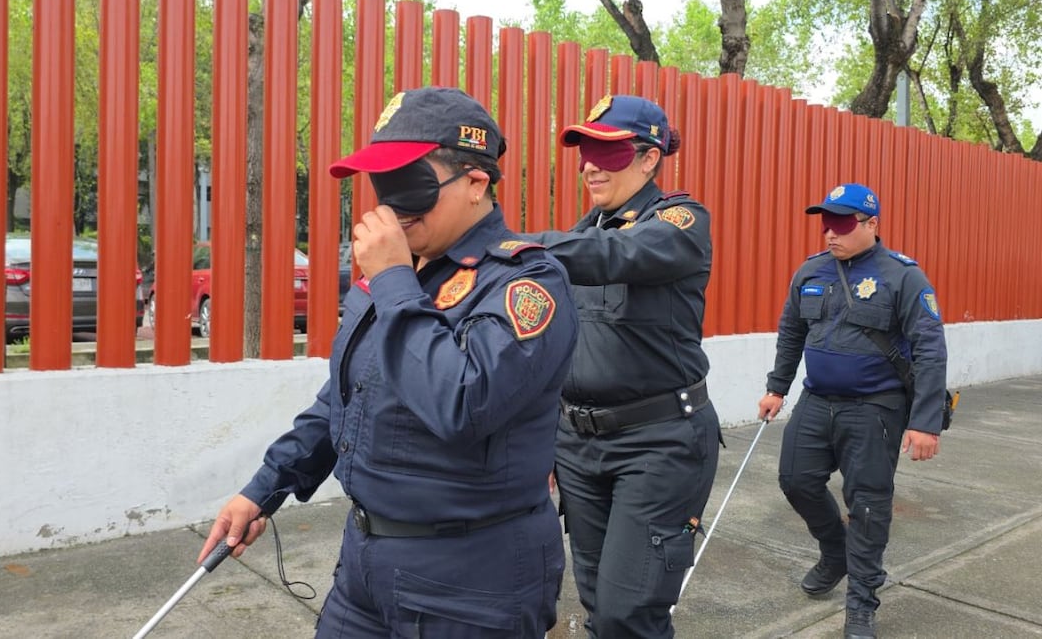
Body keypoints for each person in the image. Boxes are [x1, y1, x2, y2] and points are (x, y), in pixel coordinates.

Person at [198, 86, 579, 638]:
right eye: (383, 185)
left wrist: (396, 281)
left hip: (471, 583)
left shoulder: (526, 282)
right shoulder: (395, 276)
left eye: (411, 185)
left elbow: (463, 402)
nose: (393, 207)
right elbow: (345, 399)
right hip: (365, 567)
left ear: (476, 183)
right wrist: (264, 488)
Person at [522, 94, 722, 638]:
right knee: (595, 597)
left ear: (649, 157)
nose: (590, 166)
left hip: (658, 443)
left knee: (628, 612)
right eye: (585, 153)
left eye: (607, 153)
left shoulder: (680, 220)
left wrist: (510, 245)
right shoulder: (582, 232)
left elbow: (618, 255)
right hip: (579, 444)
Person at [757, 183, 948, 639]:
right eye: (826, 224)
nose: (831, 233)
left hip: (875, 408)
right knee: (795, 480)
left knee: (867, 504)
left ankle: (861, 603)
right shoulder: (811, 270)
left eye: (842, 225)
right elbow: (791, 332)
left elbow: (929, 348)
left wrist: (924, 422)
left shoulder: (902, 276)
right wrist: (777, 387)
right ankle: (836, 552)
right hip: (816, 401)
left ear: (871, 224)